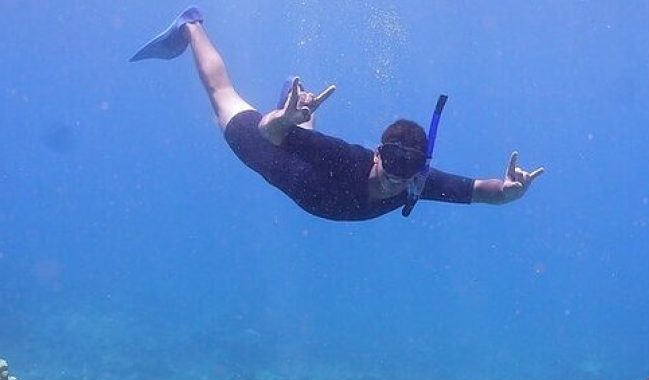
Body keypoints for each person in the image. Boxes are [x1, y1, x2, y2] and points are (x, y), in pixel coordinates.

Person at [131, 7, 545, 221]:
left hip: (306, 167)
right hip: (270, 154)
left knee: (302, 135)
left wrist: (511, 191)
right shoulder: (348, 158)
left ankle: (296, 106)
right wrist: (282, 121)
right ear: (378, 155)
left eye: (406, 174)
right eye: (390, 171)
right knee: (223, 97)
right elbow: (268, 134)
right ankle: (192, 25)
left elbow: (481, 191)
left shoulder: (416, 182)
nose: (393, 184)